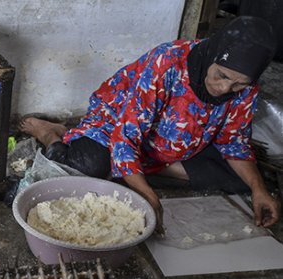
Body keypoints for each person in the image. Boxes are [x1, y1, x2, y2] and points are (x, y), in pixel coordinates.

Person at [20, 16, 280, 230]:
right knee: (88, 166)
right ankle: (52, 134)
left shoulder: (246, 88)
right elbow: (125, 137)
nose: (225, 88)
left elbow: (234, 143)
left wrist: (258, 189)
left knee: (249, 181)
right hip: (116, 125)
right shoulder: (167, 62)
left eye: (238, 84)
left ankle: (138, 170)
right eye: (221, 75)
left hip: (181, 145)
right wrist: (149, 196)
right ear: (212, 55)